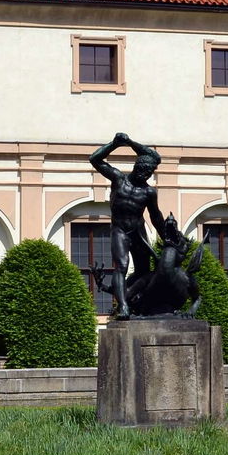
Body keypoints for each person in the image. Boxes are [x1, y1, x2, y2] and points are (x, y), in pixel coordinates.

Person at [89, 132, 167, 320]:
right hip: (120, 230)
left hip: (138, 232)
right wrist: (114, 144)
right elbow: (95, 159)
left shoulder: (149, 192)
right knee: (121, 266)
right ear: (136, 167)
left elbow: (155, 216)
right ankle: (123, 306)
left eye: (149, 173)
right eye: (143, 171)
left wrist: (167, 238)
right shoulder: (118, 179)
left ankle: (134, 300)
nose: (146, 175)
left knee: (144, 272)